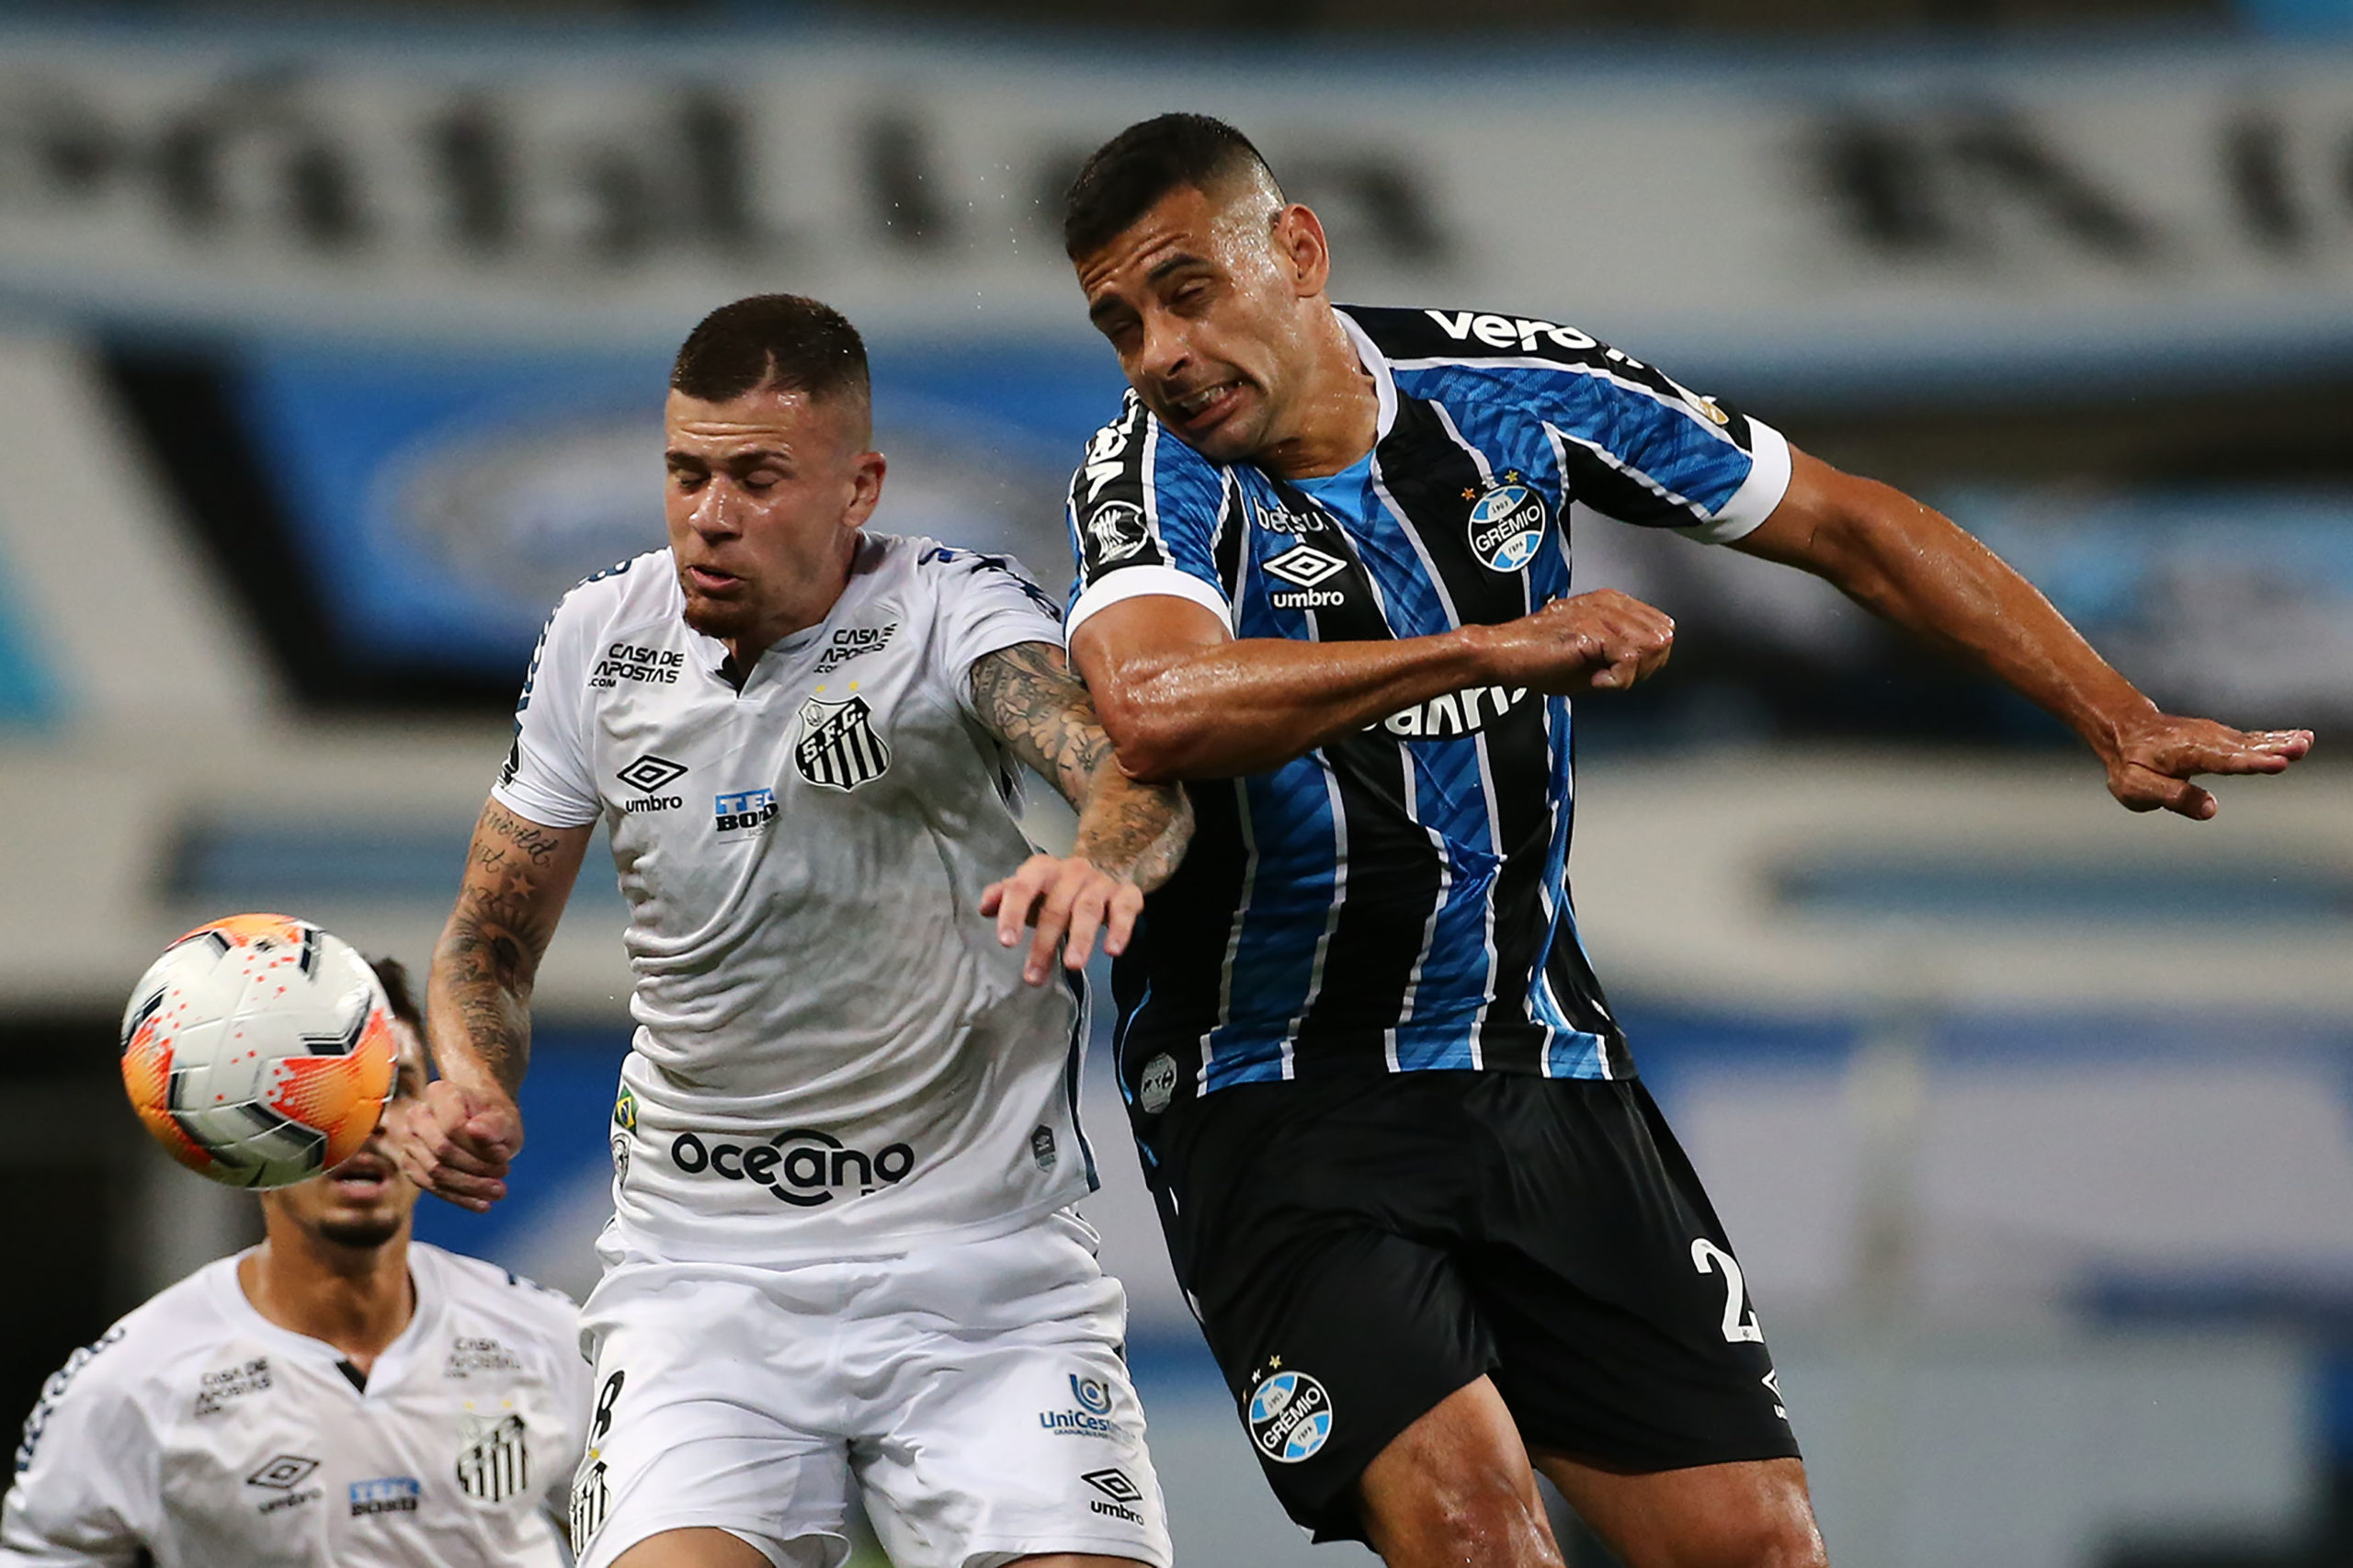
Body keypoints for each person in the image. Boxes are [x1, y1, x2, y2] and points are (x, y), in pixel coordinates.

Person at [1052, 114, 2315, 1568]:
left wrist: (2111, 711)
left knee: (1758, 1546)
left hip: (1545, 1069)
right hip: (1276, 1087)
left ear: (1298, 248)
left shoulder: (1512, 386)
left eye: (1184, 290)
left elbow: (1841, 522)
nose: (1156, 350)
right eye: (1118, 322)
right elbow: (1156, 704)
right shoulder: (1148, 475)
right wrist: (1484, 648)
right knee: (1475, 1530)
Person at [387, 293, 1192, 1568]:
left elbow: (1131, 775)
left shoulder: (955, 612)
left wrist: (1098, 862)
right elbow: (488, 942)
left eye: (758, 476)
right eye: (687, 472)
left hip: (980, 1273)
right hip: (705, 1282)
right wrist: (471, 1079)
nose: (710, 513)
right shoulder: (598, 638)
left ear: (858, 484)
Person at [2, 959, 590, 1568]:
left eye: (396, 1089)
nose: (367, 1124)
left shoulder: (549, 1339)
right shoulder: (133, 1381)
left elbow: (644, 1531)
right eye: (322, 1090)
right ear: (245, 1127)